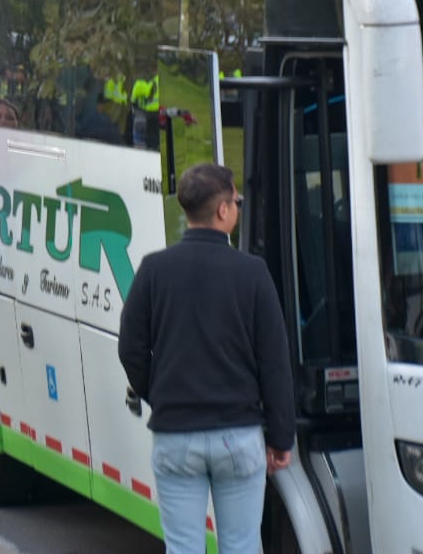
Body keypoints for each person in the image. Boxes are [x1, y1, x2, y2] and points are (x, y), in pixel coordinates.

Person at [117, 163, 294, 554]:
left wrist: (160, 395)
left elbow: (130, 347)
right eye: (237, 200)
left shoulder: (153, 270)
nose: (238, 207)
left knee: (183, 547)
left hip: (175, 435)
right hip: (239, 434)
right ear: (223, 210)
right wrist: (281, 436)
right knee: (243, 544)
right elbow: (274, 362)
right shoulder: (253, 273)